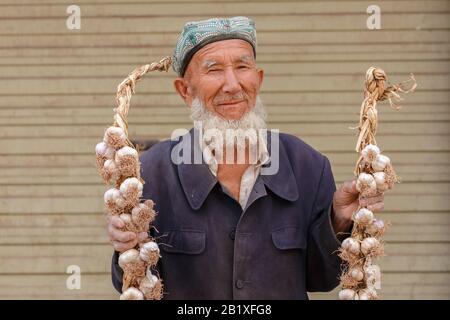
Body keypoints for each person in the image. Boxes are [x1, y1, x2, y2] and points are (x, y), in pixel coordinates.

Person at [108, 16, 385, 299]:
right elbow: (133, 285)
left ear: (258, 78)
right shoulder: (152, 173)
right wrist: (127, 247)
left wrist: (338, 221)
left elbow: (321, 278)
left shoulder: (307, 165)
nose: (232, 85)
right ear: (185, 90)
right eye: (213, 69)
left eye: (242, 67)